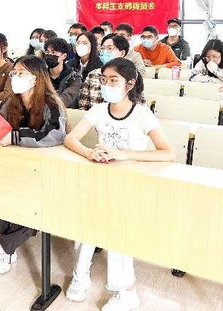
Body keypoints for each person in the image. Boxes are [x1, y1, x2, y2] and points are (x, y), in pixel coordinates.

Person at [64, 58, 174, 310]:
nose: (107, 85)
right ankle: (81, 275)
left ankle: (127, 291)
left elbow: (167, 153)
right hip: (101, 179)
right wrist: (89, 152)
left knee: (117, 230)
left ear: (130, 84)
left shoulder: (143, 115)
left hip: (130, 185)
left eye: (113, 81)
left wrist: (125, 154)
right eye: (104, 80)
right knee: (84, 223)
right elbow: (71, 139)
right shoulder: (99, 110)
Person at [0, 55, 67, 274]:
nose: (15, 77)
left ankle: (3, 247)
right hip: (13, 166)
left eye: (22, 73)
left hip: (43, 170)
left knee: (34, 205)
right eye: (14, 73)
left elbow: (54, 134)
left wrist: (15, 137)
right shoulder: (10, 101)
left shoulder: (52, 104)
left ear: (36, 78)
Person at [79, 34, 146, 111]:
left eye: (110, 48)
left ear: (122, 53)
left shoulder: (132, 76)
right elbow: (83, 106)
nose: (105, 52)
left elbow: (140, 107)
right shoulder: (93, 75)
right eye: (102, 48)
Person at [44, 38, 82, 109]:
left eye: (53, 52)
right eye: (47, 52)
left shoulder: (74, 77)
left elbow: (66, 99)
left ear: (64, 56)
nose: (49, 55)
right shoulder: (41, 75)